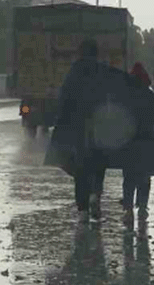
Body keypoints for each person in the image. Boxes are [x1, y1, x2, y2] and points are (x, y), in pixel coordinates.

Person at [46, 38, 125, 223]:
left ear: (80, 53)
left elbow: (64, 99)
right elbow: (113, 96)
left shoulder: (74, 72)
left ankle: (82, 211)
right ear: (96, 53)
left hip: (78, 129)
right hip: (100, 127)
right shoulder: (102, 71)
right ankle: (95, 196)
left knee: (80, 169)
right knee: (99, 164)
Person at [117, 62, 154, 224]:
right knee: (144, 177)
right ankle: (142, 208)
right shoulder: (150, 96)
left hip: (130, 144)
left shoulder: (125, 96)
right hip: (146, 145)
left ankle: (127, 209)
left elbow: (118, 121)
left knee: (129, 177)